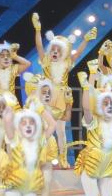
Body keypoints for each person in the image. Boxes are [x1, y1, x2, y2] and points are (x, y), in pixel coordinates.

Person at [32, 13, 96, 166]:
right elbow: (39, 46)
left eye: (58, 50)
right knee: (44, 128)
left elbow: (78, 54)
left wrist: (86, 40)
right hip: (46, 97)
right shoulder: (46, 61)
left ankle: (63, 158)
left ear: (64, 52)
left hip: (62, 98)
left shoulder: (67, 63)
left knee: (61, 131)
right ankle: (41, 157)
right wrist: (38, 30)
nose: (55, 52)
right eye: (53, 49)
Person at [2, 102, 57, 196]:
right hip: (14, 183)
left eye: (31, 122)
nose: (27, 125)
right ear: (18, 126)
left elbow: (52, 124)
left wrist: (40, 109)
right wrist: (7, 109)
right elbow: (7, 121)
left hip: (30, 184)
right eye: (23, 123)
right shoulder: (14, 139)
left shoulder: (40, 141)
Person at [0, 41, 30, 109]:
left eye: (8, 55)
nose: (6, 58)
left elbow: (27, 64)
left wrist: (15, 56)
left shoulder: (12, 69)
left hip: (13, 106)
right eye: (2, 56)